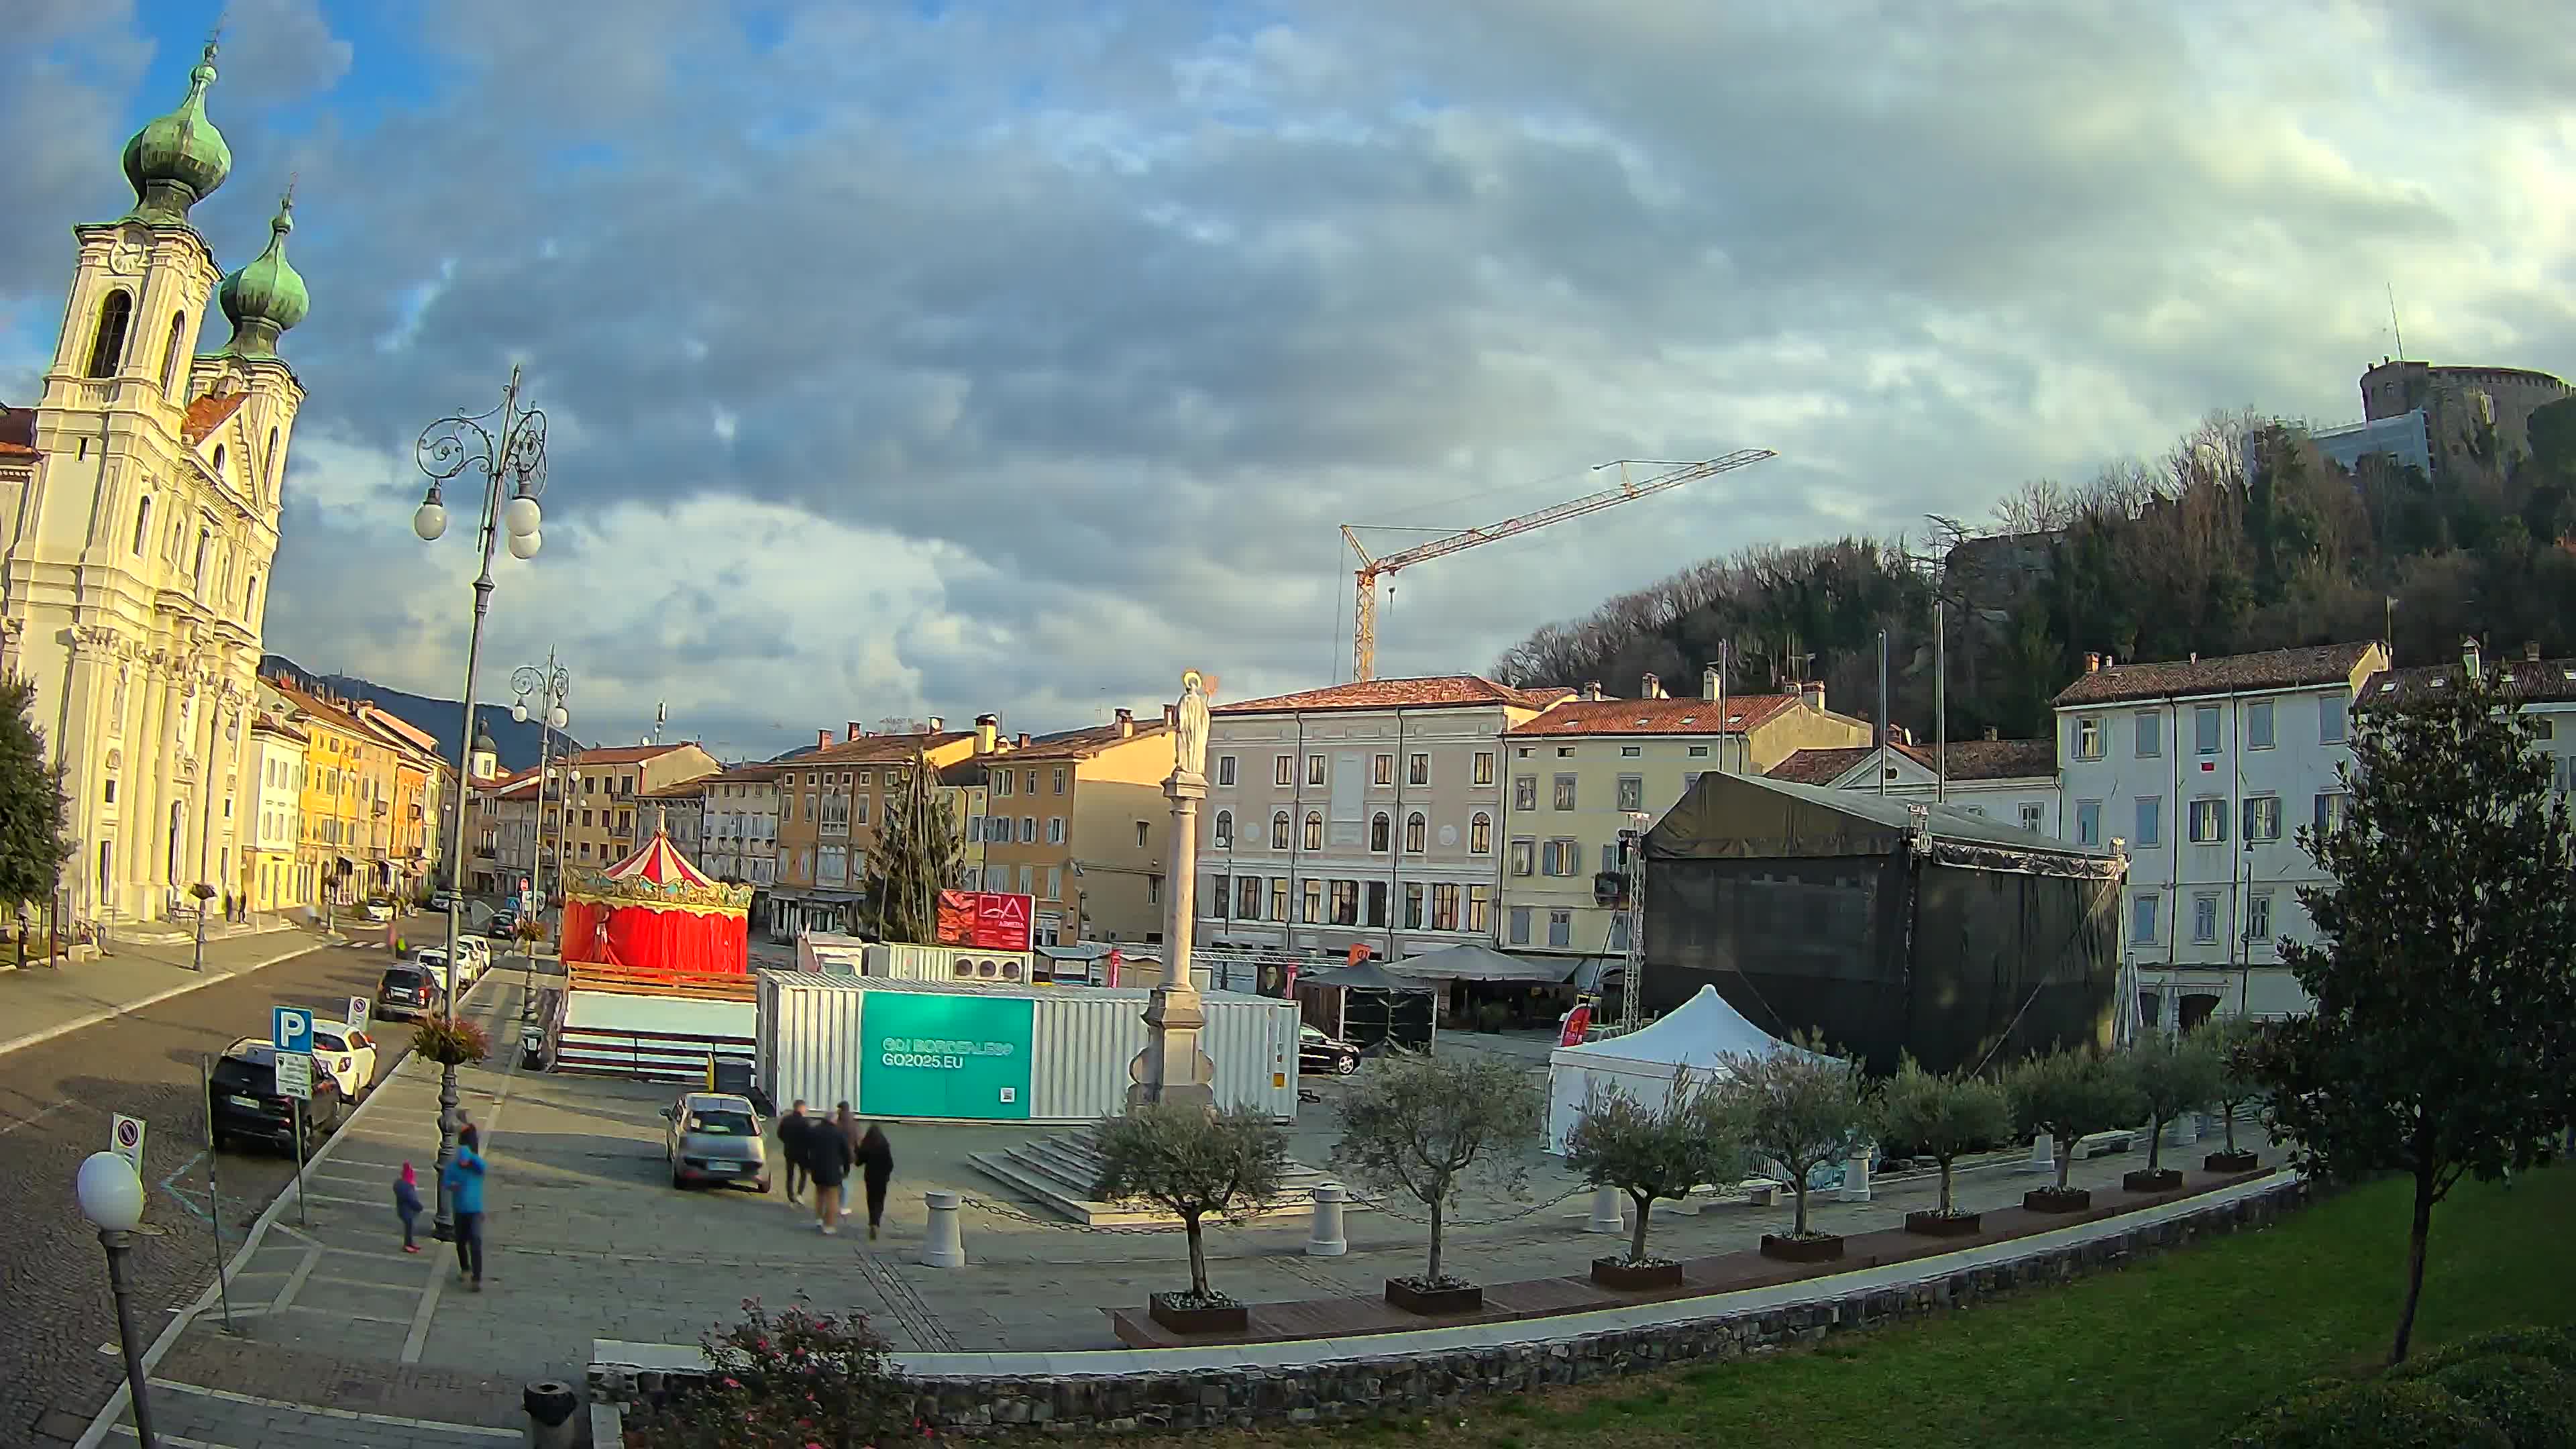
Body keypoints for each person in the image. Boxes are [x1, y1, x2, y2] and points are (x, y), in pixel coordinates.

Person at [443, 1125, 488, 1290]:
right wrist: (452, 1185)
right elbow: (446, 1182)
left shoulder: (476, 1167)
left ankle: (477, 1279)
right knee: (461, 1241)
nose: (462, 1163)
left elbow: (484, 1167)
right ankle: (465, 1269)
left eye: (465, 1160)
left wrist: (470, 1157)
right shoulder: (453, 1168)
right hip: (460, 1210)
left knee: (475, 1240)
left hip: (475, 1211)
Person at [806, 1107, 852, 1235]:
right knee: (832, 1198)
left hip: (817, 1169)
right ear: (834, 1120)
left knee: (820, 1194)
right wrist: (846, 1170)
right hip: (832, 1170)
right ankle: (829, 1225)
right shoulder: (838, 1134)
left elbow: (807, 1149)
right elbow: (846, 1154)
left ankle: (819, 1219)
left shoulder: (814, 1131)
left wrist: (808, 1166)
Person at [856, 1123, 895, 1241]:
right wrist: (887, 1174)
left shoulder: (867, 1144)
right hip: (882, 1178)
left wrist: (858, 1149)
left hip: (870, 1177)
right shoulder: (884, 1144)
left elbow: (859, 1163)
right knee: (880, 1200)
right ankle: (876, 1223)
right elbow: (890, 1164)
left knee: (871, 1200)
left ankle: (872, 1221)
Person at [775, 1099, 812, 1204]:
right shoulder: (806, 1122)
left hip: (789, 1151)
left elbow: (780, 1134)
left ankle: (790, 1195)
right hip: (803, 1153)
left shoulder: (786, 1120)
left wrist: (787, 1142)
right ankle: (799, 1194)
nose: (806, 1110)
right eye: (805, 1108)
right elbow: (810, 1138)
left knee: (790, 1174)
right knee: (803, 1174)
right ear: (801, 1108)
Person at [393, 1163, 423, 1253]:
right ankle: (408, 1245)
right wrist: (419, 1207)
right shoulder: (408, 1187)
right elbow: (412, 1200)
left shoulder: (399, 1184)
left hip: (403, 1210)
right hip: (408, 1212)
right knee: (409, 1228)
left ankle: (409, 1244)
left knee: (409, 1228)